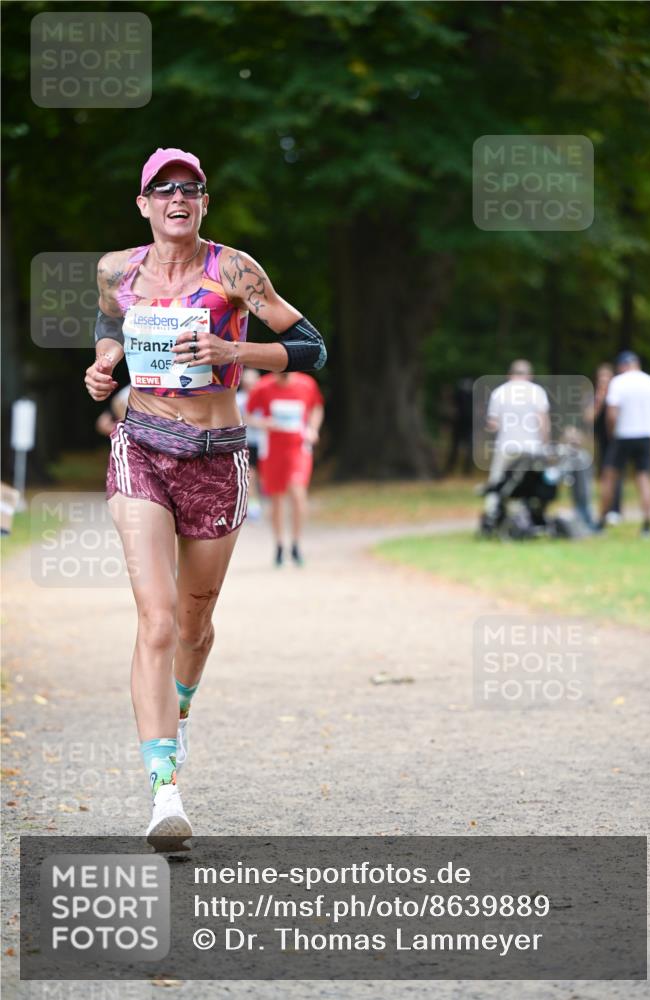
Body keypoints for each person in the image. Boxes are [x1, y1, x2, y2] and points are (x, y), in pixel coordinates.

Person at [83, 147, 326, 849]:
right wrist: (104, 367)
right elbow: (109, 330)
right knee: (155, 621)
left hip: (217, 458)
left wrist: (232, 354)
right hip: (144, 448)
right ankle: (164, 792)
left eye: (189, 189)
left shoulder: (234, 271)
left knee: (193, 624)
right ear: (144, 205)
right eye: (163, 191)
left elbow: (311, 347)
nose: (177, 199)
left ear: (204, 202)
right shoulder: (116, 270)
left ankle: (178, 709)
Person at [246, 371, 324, 566]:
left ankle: (296, 544)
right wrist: (264, 423)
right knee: (277, 499)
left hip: (299, 449)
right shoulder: (263, 386)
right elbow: (247, 415)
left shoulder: (306, 384)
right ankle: (280, 545)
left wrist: (313, 429)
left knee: (298, 493)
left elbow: (317, 407)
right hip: (273, 451)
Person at [597, 351, 650, 538]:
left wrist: (612, 434)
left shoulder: (618, 383)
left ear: (623, 366)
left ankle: (601, 522)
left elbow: (611, 414)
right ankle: (647, 525)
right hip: (645, 436)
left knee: (609, 477)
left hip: (623, 435)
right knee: (644, 479)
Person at [483, 360, 550, 519]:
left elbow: (493, 424)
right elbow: (543, 421)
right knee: (528, 482)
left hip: (506, 445)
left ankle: (493, 512)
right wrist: (545, 445)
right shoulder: (537, 391)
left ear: (509, 374)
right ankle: (526, 513)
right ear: (530, 375)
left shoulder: (499, 392)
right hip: (531, 447)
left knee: (498, 480)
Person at [593, 362, 622, 521]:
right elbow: (589, 419)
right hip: (602, 443)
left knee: (616, 475)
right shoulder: (594, 397)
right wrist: (599, 400)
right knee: (604, 475)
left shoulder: (618, 396)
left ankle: (615, 510)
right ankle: (605, 508)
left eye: (607, 378)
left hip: (617, 441)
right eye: (601, 378)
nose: (603, 381)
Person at [235, 367, 263, 520]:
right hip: (247, 441)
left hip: (266, 441)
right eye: (247, 382)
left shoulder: (264, 396)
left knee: (263, 475)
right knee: (250, 473)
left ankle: (265, 501)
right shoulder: (239, 400)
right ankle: (253, 505)